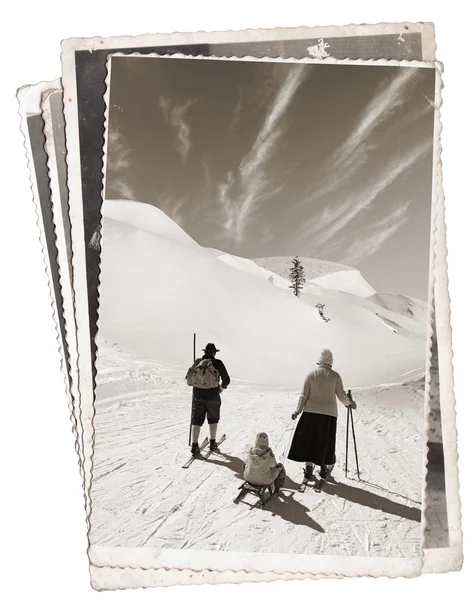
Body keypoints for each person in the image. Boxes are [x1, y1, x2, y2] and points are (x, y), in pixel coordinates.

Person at [287, 348, 356, 480]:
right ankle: (323, 468)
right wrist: (349, 403)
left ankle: (308, 469)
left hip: (310, 413)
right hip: (328, 415)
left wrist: (297, 411)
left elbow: (303, 396)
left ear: (319, 361)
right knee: (324, 442)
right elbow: (341, 395)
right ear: (331, 362)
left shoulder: (311, 375)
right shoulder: (335, 376)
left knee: (309, 441)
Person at [186, 342, 230, 455]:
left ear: (204, 352)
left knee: (196, 420)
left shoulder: (197, 362)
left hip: (198, 395)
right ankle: (212, 442)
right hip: (213, 396)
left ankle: (194, 445)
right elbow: (227, 380)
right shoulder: (217, 363)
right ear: (214, 353)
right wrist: (221, 388)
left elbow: (189, 377)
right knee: (213, 419)